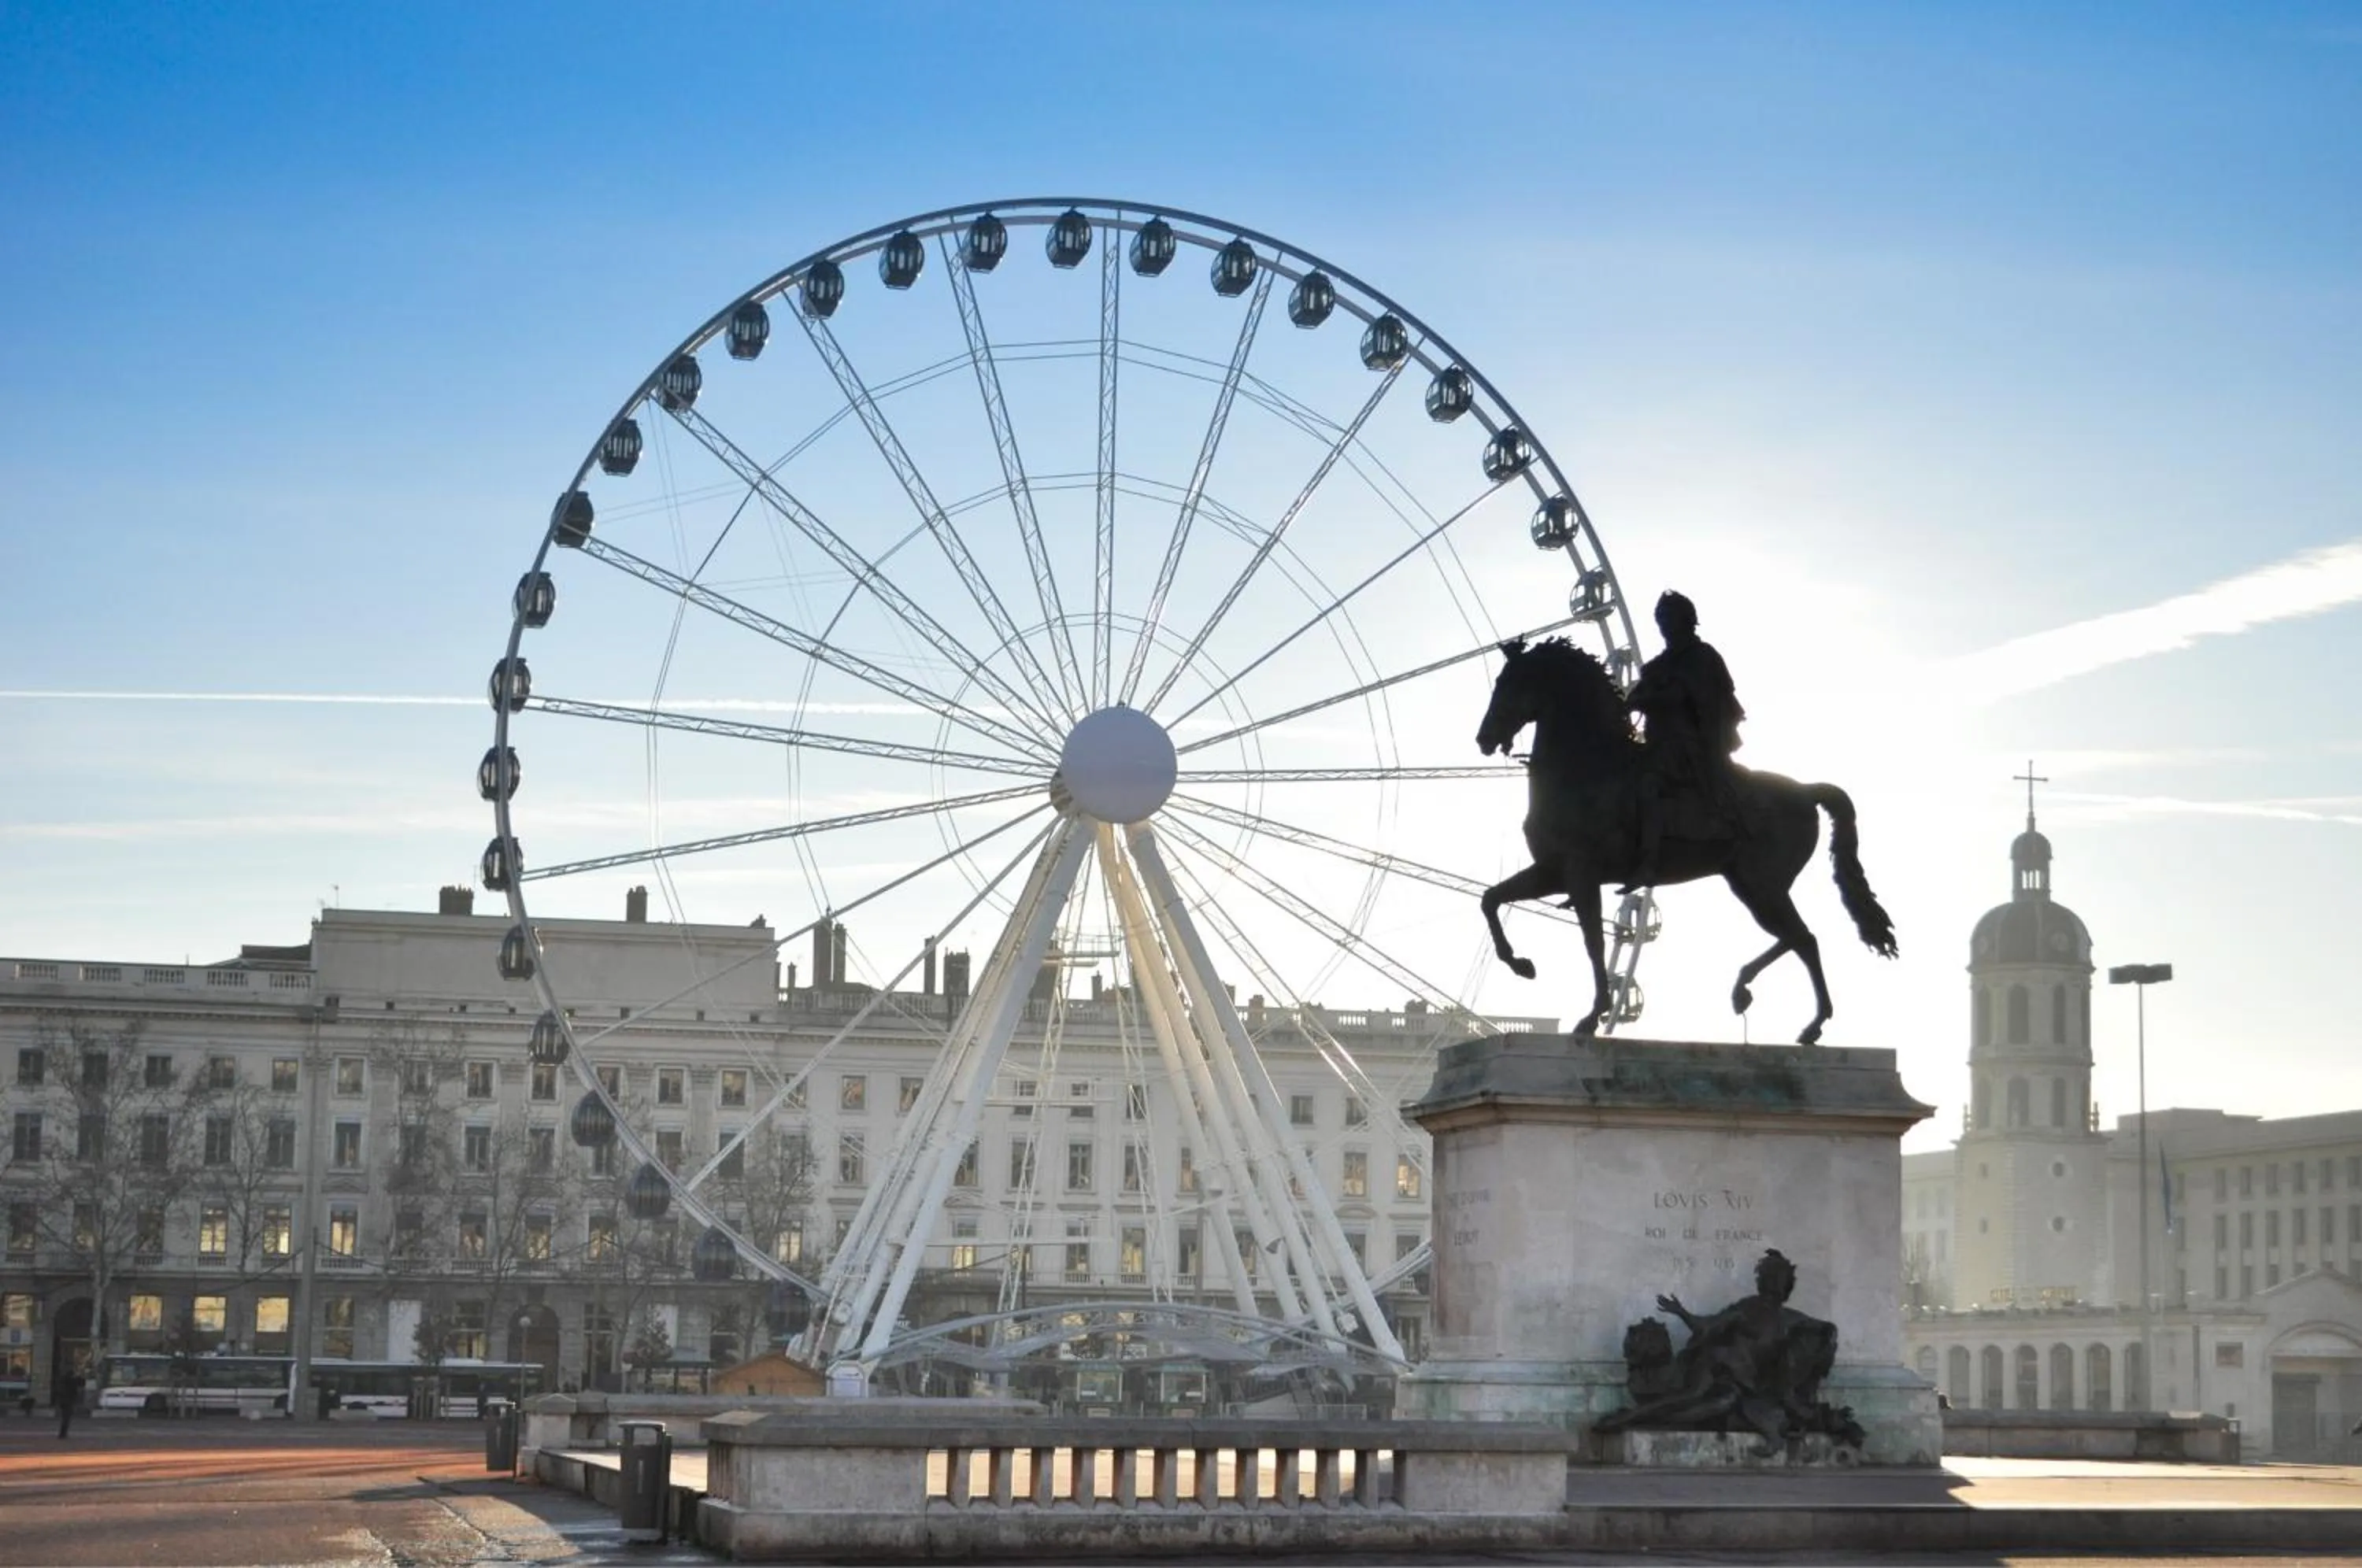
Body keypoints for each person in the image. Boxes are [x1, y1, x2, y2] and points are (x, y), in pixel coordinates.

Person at [1623, 590, 1746, 891]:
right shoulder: (1658, 665)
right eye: (1661, 620)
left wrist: (1648, 700)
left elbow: (1688, 696)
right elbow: (1638, 693)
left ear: (1687, 621)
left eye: (1670, 619)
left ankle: (1649, 863)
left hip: (1687, 742)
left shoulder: (1701, 657)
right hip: (1656, 741)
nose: (1665, 626)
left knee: (1649, 784)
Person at [52, 1362, 83, 1440]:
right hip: (69, 1401)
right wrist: (79, 1375)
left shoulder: (62, 1380)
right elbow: (81, 1383)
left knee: (65, 1417)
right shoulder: (72, 1381)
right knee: (66, 1418)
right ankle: (63, 1433)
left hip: (63, 1401)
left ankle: (63, 1433)